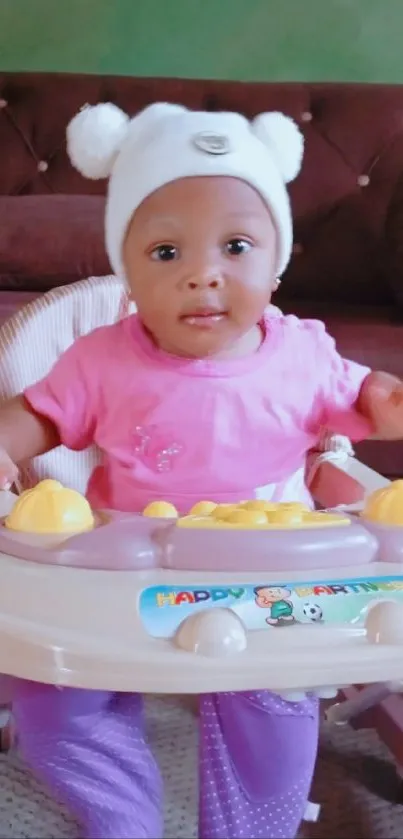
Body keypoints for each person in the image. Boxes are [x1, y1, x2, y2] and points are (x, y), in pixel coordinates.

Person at [0, 101, 402, 839]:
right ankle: (118, 814)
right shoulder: (102, 358)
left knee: (273, 712)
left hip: (267, 581)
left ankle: (253, 827)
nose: (201, 276)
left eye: (236, 245)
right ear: (127, 273)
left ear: (275, 264)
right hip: (128, 575)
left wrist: (388, 401)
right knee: (57, 698)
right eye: (165, 253)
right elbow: (38, 418)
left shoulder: (303, 354)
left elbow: (371, 400)